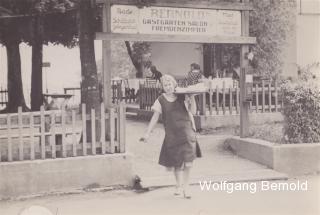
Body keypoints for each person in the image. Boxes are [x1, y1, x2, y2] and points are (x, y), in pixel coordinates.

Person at [141, 74, 201, 199]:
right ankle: (178, 186)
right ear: (163, 87)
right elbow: (155, 117)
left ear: (174, 84)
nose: (168, 87)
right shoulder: (160, 100)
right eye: (165, 85)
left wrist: (192, 98)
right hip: (172, 136)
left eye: (170, 84)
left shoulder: (182, 96)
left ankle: (186, 187)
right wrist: (147, 133)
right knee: (177, 163)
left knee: (188, 163)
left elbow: (193, 112)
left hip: (186, 133)